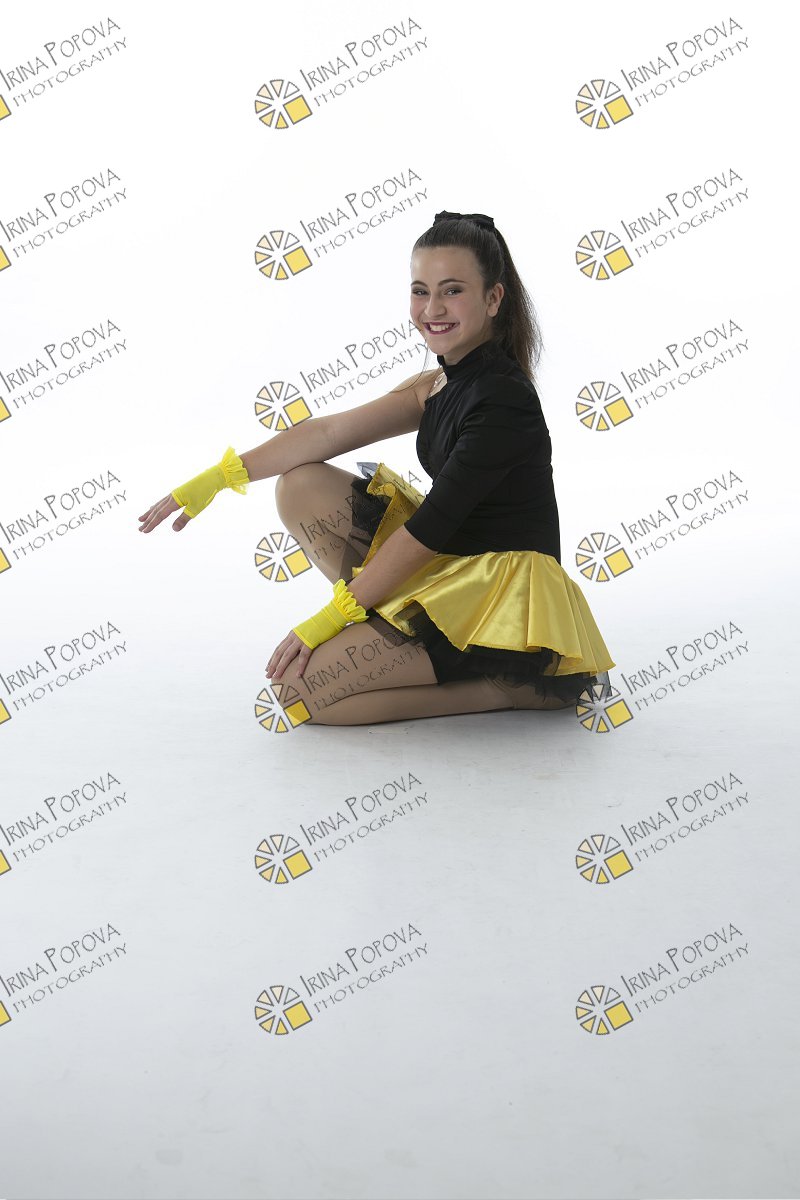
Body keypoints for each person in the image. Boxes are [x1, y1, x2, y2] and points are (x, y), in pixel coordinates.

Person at [138, 210, 614, 726]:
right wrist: (220, 477)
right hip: (451, 565)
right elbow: (327, 433)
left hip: (500, 593)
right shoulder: (435, 384)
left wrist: (329, 619)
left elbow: (429, 530)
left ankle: (506, 687)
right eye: (420, 291)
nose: (432, 309)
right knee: (300, 484)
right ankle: (383, 628)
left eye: (453, 291)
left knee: (296, 697)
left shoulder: (503, 400)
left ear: (493, 298)